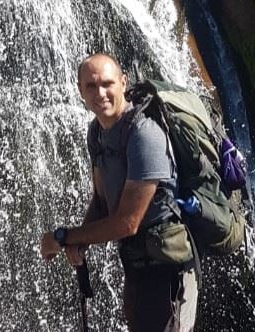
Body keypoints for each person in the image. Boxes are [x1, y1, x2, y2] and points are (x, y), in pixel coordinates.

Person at [40, 53, 198, 332]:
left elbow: (128, 222)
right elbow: (101, 202)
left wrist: (65, 237)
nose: (100, 93)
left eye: (107, 84)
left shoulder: (144, 134)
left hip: (169, 272)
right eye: (90, 86)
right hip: (137, 267)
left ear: (123, 83)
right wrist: (81, 242)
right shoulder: (97, 134)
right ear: (80, 90)